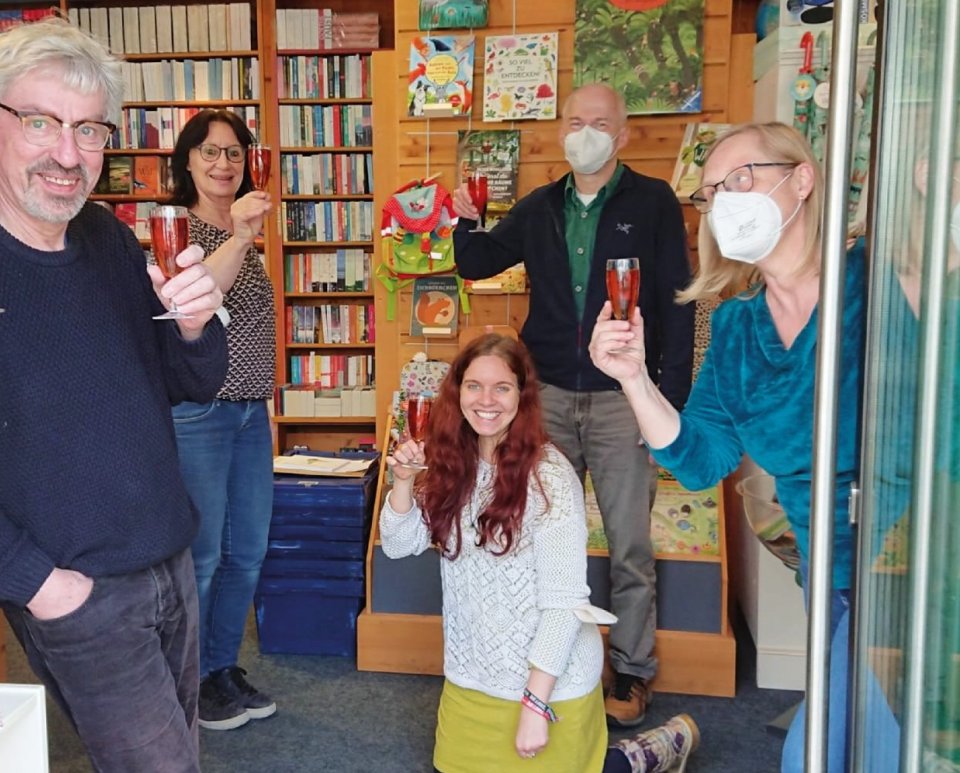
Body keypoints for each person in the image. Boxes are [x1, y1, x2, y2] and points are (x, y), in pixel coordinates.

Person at [0, 20, 227, 772]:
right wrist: (35, 582)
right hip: (77, 590)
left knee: (178, 750)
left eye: (89, 130)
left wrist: (194, 325)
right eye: (39, 123)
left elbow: (187, 380)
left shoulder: (107, 238)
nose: (68, 155)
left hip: (169, 559)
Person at [588, 121, 897, 772]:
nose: (725, 201)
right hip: (834, 579)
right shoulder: (735, 326)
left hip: (909, 571)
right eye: (709, 193)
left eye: (741, 179)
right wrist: (634, 378)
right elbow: (700, 457)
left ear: (802, 178)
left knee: (823, 751)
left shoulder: (880, 282)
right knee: (855, 743)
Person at [451, 83, 696, 726]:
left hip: (624, 400)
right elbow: (476, 262)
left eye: (598, 123)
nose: (583, 132)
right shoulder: (540, 206)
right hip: (548, 396)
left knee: (629, 547)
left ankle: (634, 672)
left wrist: (668, 401)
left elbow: (678, 297)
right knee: (532, 537)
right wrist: (464, 216)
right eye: (574, 121)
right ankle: (541, 666)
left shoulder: (653, 202)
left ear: (622, 134)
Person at [380, 334, 699, 773]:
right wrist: (402, 482)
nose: (486, 400)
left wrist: (535, 704)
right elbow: (398, 547)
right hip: (471, 678)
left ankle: (653, 751)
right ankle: (646, 751)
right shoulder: (453, 463)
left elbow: (565, 605)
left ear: (523, 396)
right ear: (456, 393)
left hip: (551, 684)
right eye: (474, 386)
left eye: (502, 388)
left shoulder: (550, 478)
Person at [167, 109, 276, 731]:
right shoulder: (177, 232)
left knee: (248, 554)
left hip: (247, 414)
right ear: (187, 161)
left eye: (235, 153)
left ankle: (221, 669)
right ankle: (189, 683)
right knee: (203, 557)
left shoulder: (246, 232)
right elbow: (195, 301)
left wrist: (262, 404)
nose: (223, 164)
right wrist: (238, 235)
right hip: (199, 413)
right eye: (209, 152)